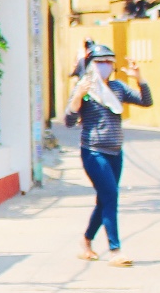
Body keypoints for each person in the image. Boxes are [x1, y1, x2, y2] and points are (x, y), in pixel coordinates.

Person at [63, 42, 151, 266]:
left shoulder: (118, 88)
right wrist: (77, 97)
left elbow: (146, 102)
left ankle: (86, 241)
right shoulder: (85, 90)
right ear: (91, 65)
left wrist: (139, 78)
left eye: (109, 62)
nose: (105, 66)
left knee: (105, 199)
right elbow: (69, 121)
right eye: (100, 62)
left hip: (115, 152)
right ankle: (115, 249)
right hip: (94, 152)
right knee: (111, 196)